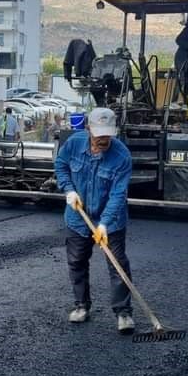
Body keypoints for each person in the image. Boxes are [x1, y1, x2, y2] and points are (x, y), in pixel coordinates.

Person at [54, 107, 135, 334]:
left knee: (117, 265)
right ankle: (81, 306)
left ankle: (123, 312)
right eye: (99, 134)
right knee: (77, 261)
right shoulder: (74, 144)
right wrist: (68, 190)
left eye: (107, 134)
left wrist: (104, 224)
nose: (103, 139)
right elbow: (61, 165)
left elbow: (119, 194)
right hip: (78, 218)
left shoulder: (121, 156)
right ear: (89, 128)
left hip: (111, 220)